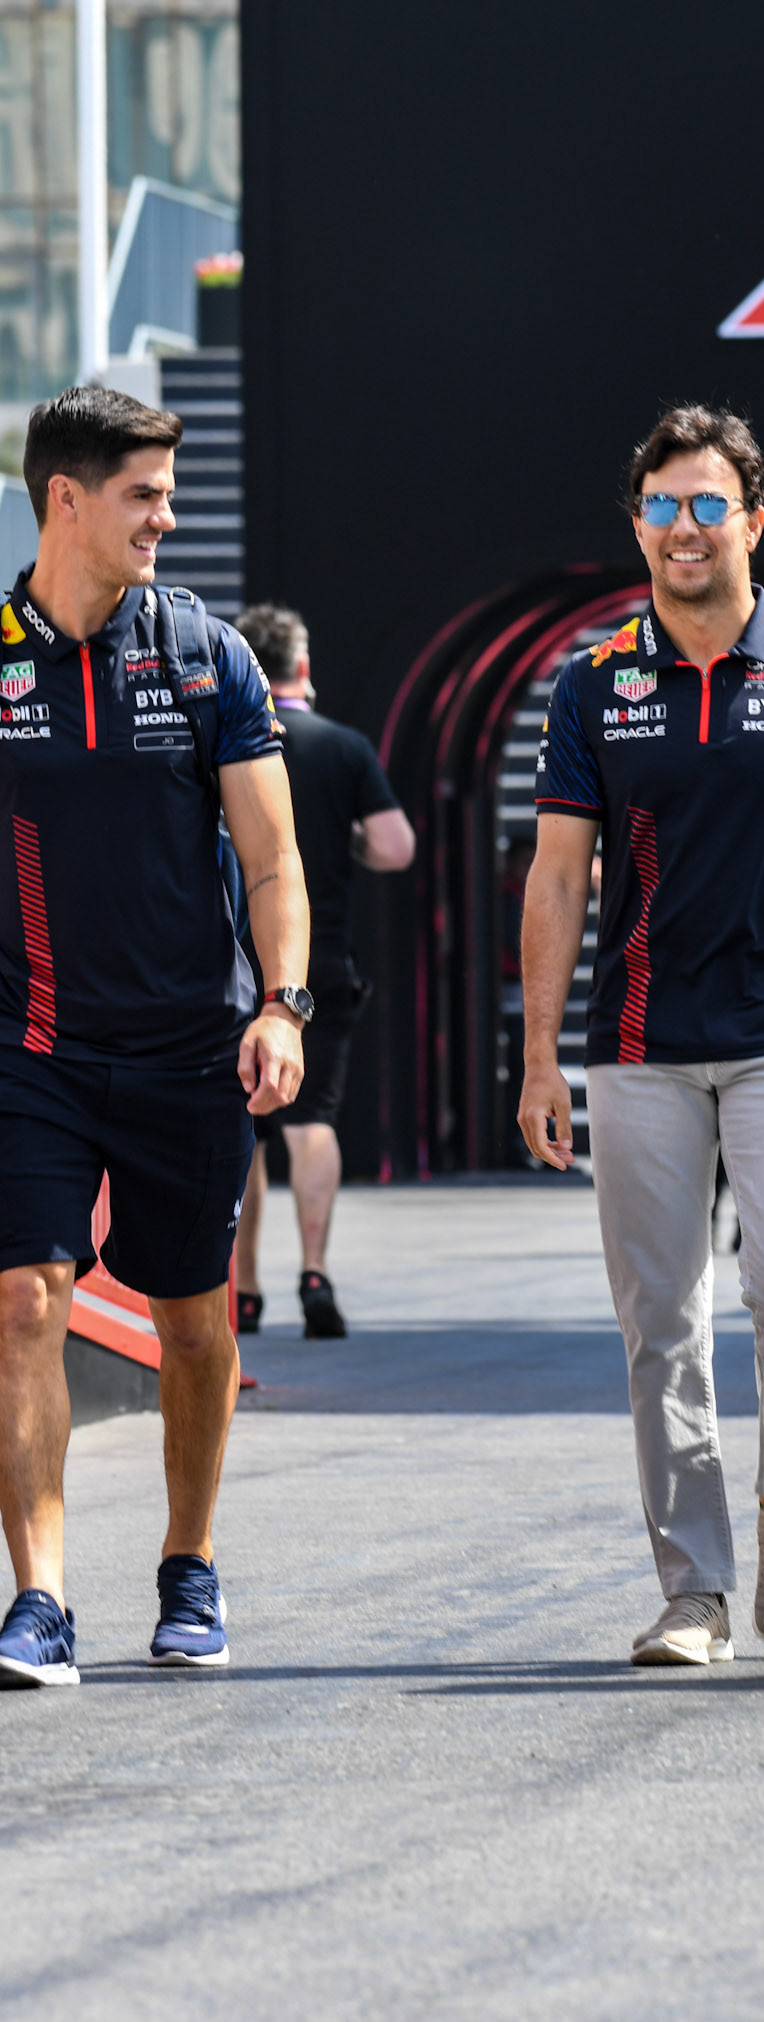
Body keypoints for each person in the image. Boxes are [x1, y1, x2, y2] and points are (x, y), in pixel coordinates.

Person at [519, 404, 764, 1667]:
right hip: (637, 1042)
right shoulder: (593, 680)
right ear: (637, 524)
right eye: (661, 505)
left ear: (753, 520)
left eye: (706, 504)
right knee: (663, 1323)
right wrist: (539, 1055)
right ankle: (693, 1589)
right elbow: (557, 876)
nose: (682, 527)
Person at [0, 386, 310, 1687]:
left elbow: (274, 859)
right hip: (33, 1049)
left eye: (170, 496)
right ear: (65, 499)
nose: (165, 520)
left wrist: (282, 1005)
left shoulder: (203, 655)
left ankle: (190, 1563)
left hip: (193, 1048)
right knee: (26, 1297)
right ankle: (39, 1599)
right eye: (144, 495)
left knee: (193, 1322)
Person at [232, 605, 414, 1338]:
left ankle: (243, 1289)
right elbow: (396, 847)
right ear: (302, 667)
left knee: (244, 1129)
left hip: (238, 964)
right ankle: (314, 1273)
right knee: (312, 1122)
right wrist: (345, 846)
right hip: (320, 960)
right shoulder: (342, 745)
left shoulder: (228, 735)